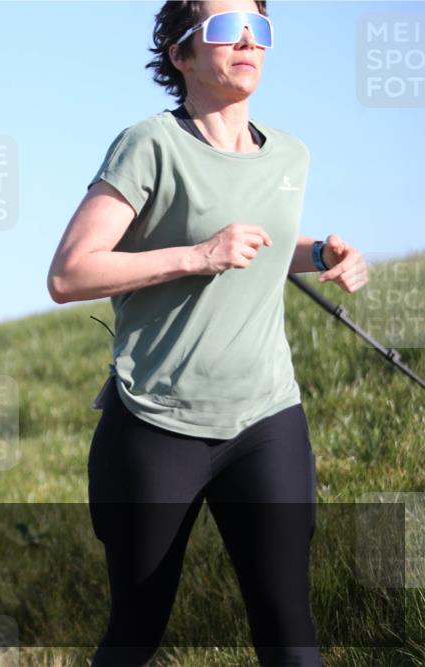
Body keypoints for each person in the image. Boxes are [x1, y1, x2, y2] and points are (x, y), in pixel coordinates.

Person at [47, 2, 367, 665]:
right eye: (225, 28)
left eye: (259, 29)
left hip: (266, 417)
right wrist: (198, 255)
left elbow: (260, 240)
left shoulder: (291, 154)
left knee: (290, 632)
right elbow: (70, 273)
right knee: (137, 631)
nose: (247, 40)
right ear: (182, 54)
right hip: (156, 422)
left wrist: (320, 255)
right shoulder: (150, 144)